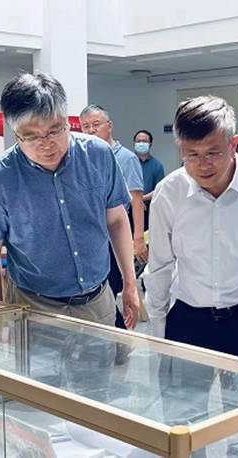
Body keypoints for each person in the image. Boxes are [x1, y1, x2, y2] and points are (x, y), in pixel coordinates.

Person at [144, 95, 238, 457]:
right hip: (189, 321)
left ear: (234, 143)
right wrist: (158, 335)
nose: (202, 164)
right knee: (183, 425)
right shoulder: (169, 193)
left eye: (213, 153)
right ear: (180, 149)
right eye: (191, 154)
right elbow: (160, 266)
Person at [0, 72, 140, 329]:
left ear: (68, 122)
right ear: (16, 134)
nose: (46, 144)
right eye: (31, 136)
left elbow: (116, 220)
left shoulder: (98, 155)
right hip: (34, 305)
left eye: (55, 130)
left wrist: (130, 283)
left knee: (104, 357)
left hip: (97, 300)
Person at [80, 105, 147, 330]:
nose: (91, 130)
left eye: (96, 125)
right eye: (86, 126)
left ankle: (118, 334)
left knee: (111, 288)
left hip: (116, 234)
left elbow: (136, 199)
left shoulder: (126, 158)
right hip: (93, 236)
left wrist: (138, 238)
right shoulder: (81, 158)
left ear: (109, 126)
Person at [132, 129, 165, 230]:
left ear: (150, 144)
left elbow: (159, 190)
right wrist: (135, 201)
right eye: (138, 141)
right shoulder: (128, 162)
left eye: (144, 141)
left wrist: (141, 199)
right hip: (129, 208)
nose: (141, 143)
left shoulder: (157, 165)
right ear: (134, 143)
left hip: (148, 209)